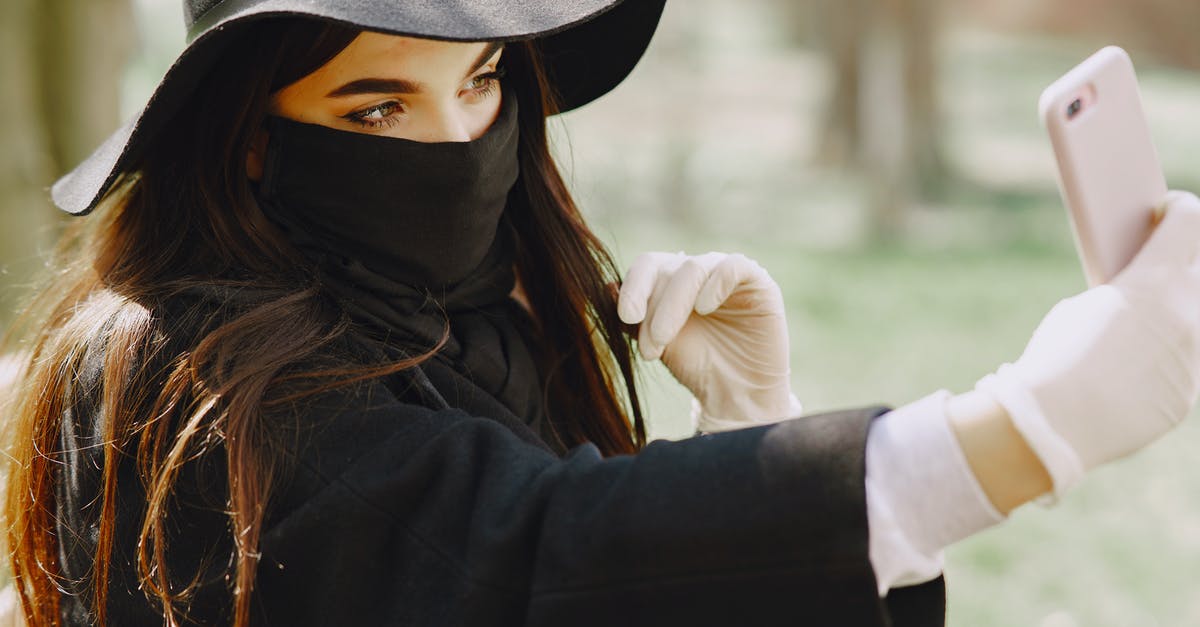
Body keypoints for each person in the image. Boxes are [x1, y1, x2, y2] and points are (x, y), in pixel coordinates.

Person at [3, 0, 1199, 625]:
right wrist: (1026, 429)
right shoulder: (180, 375)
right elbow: (522, 554)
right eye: (377, 109)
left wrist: (750, 431)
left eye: (477, 84)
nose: (460, 141)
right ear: (249, 141)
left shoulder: (466, 327)